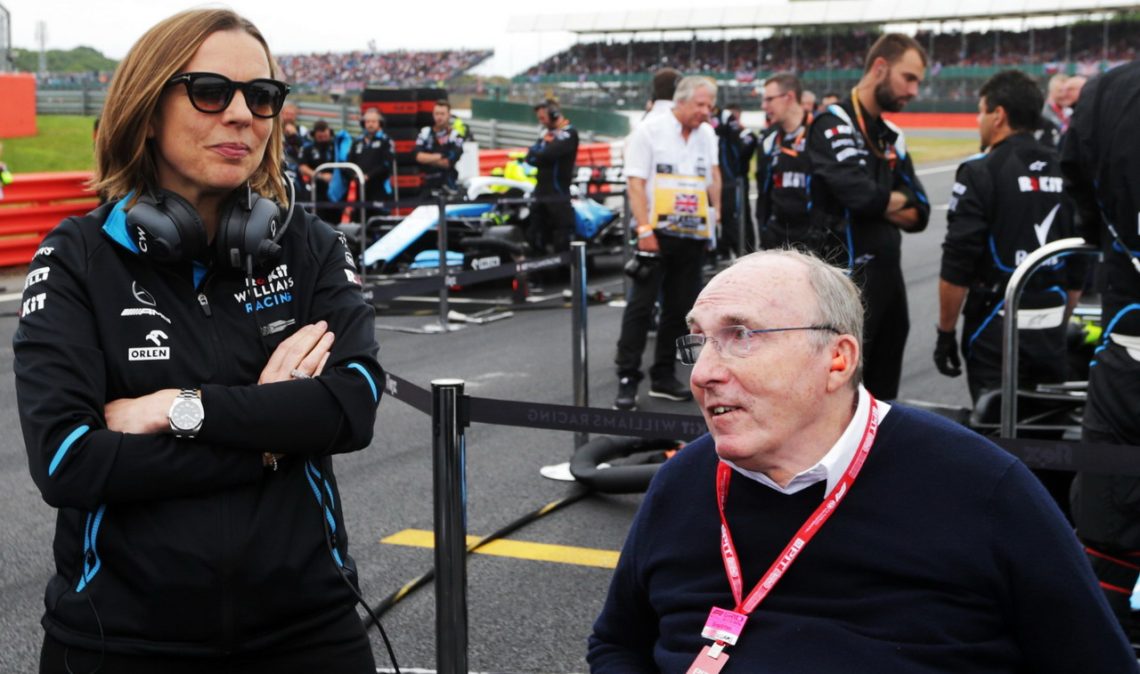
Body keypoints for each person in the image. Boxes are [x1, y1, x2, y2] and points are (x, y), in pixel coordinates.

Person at [13, 9, 383, 673]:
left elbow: (351, 405)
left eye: (262, 96)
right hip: (117, 640)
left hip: (311, 630)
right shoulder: (75, 258)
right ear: (147, 110)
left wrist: (181, 408)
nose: (242, 114)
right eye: (210, 92)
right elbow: (70, 461)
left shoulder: (311, 246)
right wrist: (271, 436)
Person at [587, 249, 1136, 673]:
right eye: (699, 342)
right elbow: (616, 643)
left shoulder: (982, 488)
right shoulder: (682, 483)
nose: (704, 373)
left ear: (837, 359)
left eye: (741, 336)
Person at [936, 69, 1083, 403]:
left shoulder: (979, 171)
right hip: (1051, 324)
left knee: (996, 425)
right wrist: (1058, 321)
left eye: (981, 111)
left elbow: (956, 264)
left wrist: (945, 333)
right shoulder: (1067, 170)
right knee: (1048, 425)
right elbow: (1078, 266)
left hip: (994, 327)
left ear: (998, 115)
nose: (979, 121)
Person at [806, 33, 931, 400]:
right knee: (842, 398)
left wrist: (882, 202)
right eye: (908, 78)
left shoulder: (891, 135)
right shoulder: (833, 122)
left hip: (890, 280)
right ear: (880, 68)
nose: (914, 91)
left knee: (884, 399)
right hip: (846, 282)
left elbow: (921, 210)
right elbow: (859, 197)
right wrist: (893, 200)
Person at [1061, 60, 1140, 636]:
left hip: (1131, 340)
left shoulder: (1109, 89)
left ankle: (1111, 640)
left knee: (1109, 519)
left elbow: (1078, 183)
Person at [613, 75, 721, 410]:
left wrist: (715, 218)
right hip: (655, 234)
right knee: (641, 307)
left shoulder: (707, 134)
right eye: (700, 104)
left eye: (710, 106)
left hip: (692, 234)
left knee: (680, 309)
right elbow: (635, 183)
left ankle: (664, 375)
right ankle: (628, 377)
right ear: (681, 100)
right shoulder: (649, 131)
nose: (706, 111)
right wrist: (644, 229)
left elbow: (714, 176)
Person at [756, 72, 822, 254]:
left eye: (769, 99)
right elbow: (763, 192)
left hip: (814, 241)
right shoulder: (769, 140)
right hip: (777, 239)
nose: (764, 106)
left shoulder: (819, 133)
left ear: (789, 97)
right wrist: (764, 230)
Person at [524, 99, 579, 253]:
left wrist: (539, 151)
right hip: (540, 193)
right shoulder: (546, 135)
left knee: (562, 237)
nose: (541, 122)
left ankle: (565, 267)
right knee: (535, 234)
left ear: (554, 114)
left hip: (558, 194)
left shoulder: (569, 133)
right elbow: (530, 158)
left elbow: (545, 156)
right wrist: (539, 150)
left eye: (543, 118)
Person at [715, 103, 756, 258]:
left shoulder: (746, 133)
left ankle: (746, 250)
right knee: (723, 216)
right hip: (722, 179)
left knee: (740, 216)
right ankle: (723, 249)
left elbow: (744, 151)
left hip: (737, 180)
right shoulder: (719, 133)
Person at [348, 107, 394, 211]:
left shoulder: (385, 141)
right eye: (368, 121)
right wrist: (355, 175)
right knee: (359, 215)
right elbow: (349, 162)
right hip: (359, 187)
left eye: (373, 121)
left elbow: (387, 164)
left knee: (378, 216)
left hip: (379, 187)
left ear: (379, 123)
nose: (370, 124)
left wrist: (368, 176)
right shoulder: (357, 141)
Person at [415, 99, 465, 192]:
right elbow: (418, 157)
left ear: (449, 115)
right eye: (437, 113)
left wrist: (427, 159)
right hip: (426, 185)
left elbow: (447, 163)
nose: (439, 117)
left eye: (442, 114)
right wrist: (441, 155)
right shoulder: (425, 132)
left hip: (447, 185)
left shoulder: (455, 136)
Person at [299, 119, 342, 224]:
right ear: (314, 135)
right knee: (317, 221)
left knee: (335, 222)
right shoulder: (308, 148)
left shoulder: (336, 146)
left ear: (330, 133)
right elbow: (302, 167)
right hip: (316, 190)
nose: (323, 139)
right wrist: (320, 176)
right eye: (320, 137)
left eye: (325, 136)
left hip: (336, 190)